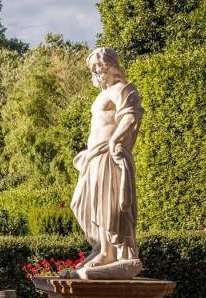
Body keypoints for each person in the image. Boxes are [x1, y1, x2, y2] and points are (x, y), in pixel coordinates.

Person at [71, 47, 143, 271]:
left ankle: (108, 252)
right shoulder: (101, 95)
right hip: (94, 156)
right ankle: (100, 247)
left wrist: (115, 140)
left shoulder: (123, 89)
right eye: (93, 67)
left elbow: (130, 116)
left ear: (112, 65)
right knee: (83, 203)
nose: (96, 70)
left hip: (108, 154)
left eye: (100, 65)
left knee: (106, 204)